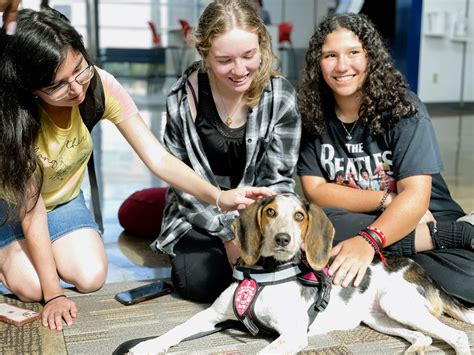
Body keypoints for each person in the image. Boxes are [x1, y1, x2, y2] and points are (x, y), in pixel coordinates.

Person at [0, 7, 272, 331]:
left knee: (90, 277)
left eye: (79, 69)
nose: (75, 88)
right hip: (15, 209)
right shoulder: (16, 121)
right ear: (31, 88)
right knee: (34, 288)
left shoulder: (99, 86)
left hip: (64, 201)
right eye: (57, 85)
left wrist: (218, 196)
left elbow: (157, 158)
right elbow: (32, 212)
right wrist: (55, 294)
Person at [297, 13, 474, 306]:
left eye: (353, 53)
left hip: (427, 216)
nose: (342, 66)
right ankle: (425, 246)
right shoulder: (312, 116)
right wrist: (384, 201)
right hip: (363, 218)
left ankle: (452, 233)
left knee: (467, 282)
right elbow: (315, 190)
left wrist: (368, 242)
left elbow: (416, 197)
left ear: (370, 57)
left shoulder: (403, 109)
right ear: (318, 62)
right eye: (330, 55)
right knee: (316, 222)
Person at [147, 0, 301, 303]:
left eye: (249, 55)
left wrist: (250, 230)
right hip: (199, 211)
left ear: (262, 46)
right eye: (224, 60)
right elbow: (183, 187)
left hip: (256, 214)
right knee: (200, 283)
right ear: (204, 54)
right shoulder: (182, 100)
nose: (240, 70)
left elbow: (279, 181)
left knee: (273, 270)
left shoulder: (280, 97)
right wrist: (230, 234)